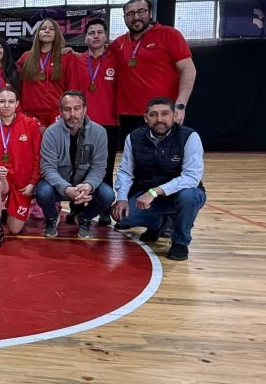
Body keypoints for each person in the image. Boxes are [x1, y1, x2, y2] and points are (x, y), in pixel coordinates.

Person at [112, 97, 206, 261]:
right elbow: (125, 172)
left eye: (165, 114)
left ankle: (180, 242)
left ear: (175, 115)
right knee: (125, 217)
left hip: (181, 193)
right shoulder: (133, 137)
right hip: (148, 194)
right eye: (153, 115)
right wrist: (121, 198)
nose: (159, 119)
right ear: (145, 117)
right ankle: (159, 223)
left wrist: (154, 192)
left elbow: (191, 177)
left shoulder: (189, 137)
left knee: (189, 197)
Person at [108, 0, 196, 140]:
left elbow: (189, 70)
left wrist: (180, 105)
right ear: (124, 18)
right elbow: (96, 57)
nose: (136, 17)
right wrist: (71, 52)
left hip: (162, 114)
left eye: (141, 11)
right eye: (130, 14)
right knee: (134, 160)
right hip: (129, 116)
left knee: (166, 159)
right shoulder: (118, 44)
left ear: (150, 13)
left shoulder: (169, 34)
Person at [36, 91, 115, 239]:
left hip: (84, 186)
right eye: (67, 109)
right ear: (60, 111)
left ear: (85, 109)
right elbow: (47, 168)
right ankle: (52, 218)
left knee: (108, 195)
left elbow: (99, 167)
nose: (72, 114)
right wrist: (66, 189)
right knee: (42, 191)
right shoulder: (51, 132)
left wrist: (89, 185)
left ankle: (84, 218)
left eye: (77, 108)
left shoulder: (100, 132)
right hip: (59, 185)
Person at [64, 18, 118, 225]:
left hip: (108, 122)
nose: (95, 36)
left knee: (105, 165)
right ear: (85, 37)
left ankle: (104, 208)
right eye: (91, 33)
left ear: (106, 37)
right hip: (80, 123)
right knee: (77, 165)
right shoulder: (76, 60)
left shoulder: (115, 59)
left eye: (99, 32)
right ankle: (76, 207)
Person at [0, 86, 42, 248]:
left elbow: (38, 157)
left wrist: (32, 183)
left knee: (15, 229)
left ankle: (6, 212)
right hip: (4, 180)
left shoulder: (30, 125)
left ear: (17, 104)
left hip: (23, 185)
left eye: (10, 101)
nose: (6, 105)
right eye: (2, 101)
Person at [17, 18, 72, 127]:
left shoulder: (65, 56)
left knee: (55, 144)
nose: (47, 31)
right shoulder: (26, 57)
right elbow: (10, 72)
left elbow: (71, 85)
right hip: (32, 113)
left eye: (51, 29)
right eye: (43, 28)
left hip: (56, 112)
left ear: (56, 34)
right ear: (38, 34)